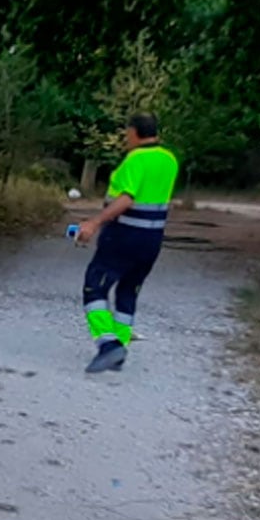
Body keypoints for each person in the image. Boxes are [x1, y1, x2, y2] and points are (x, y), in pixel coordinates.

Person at [74, 114, 179, 374]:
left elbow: (126, 198)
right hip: (152, 240)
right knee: (128, 291)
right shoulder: (169, 160)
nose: (124, 139)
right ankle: (120, 348)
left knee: (94, 285)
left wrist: (94, 222)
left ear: (134, 132)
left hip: (124, 235)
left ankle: (108, 346)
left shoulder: (135, 160)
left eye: (126, 134)